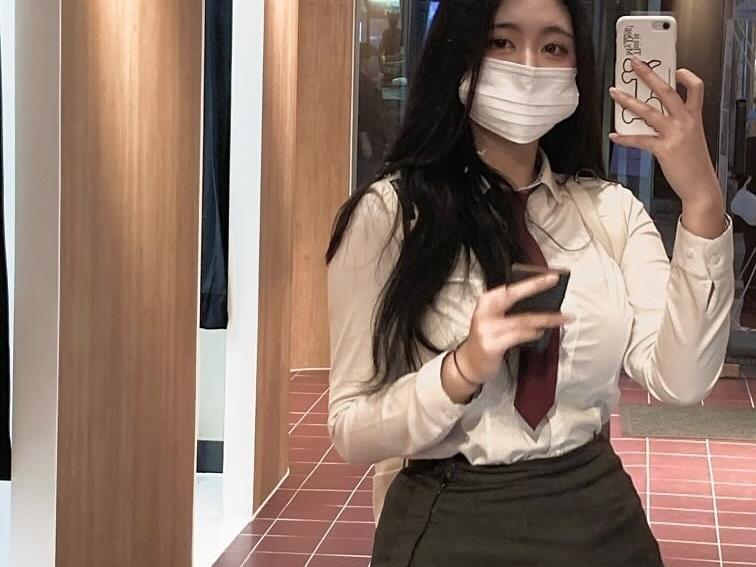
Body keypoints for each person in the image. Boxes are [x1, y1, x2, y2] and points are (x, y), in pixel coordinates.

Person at [326, 1, 734, 565]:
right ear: (459, 56)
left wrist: (702, 200)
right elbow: (351, 429)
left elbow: (682, 382)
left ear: (577, 69)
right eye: (500, 42)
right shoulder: (390, 217)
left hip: (601, 521)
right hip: (452, 519)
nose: (528, 65)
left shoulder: (611, 213)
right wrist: (459, 370)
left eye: (553, 47)